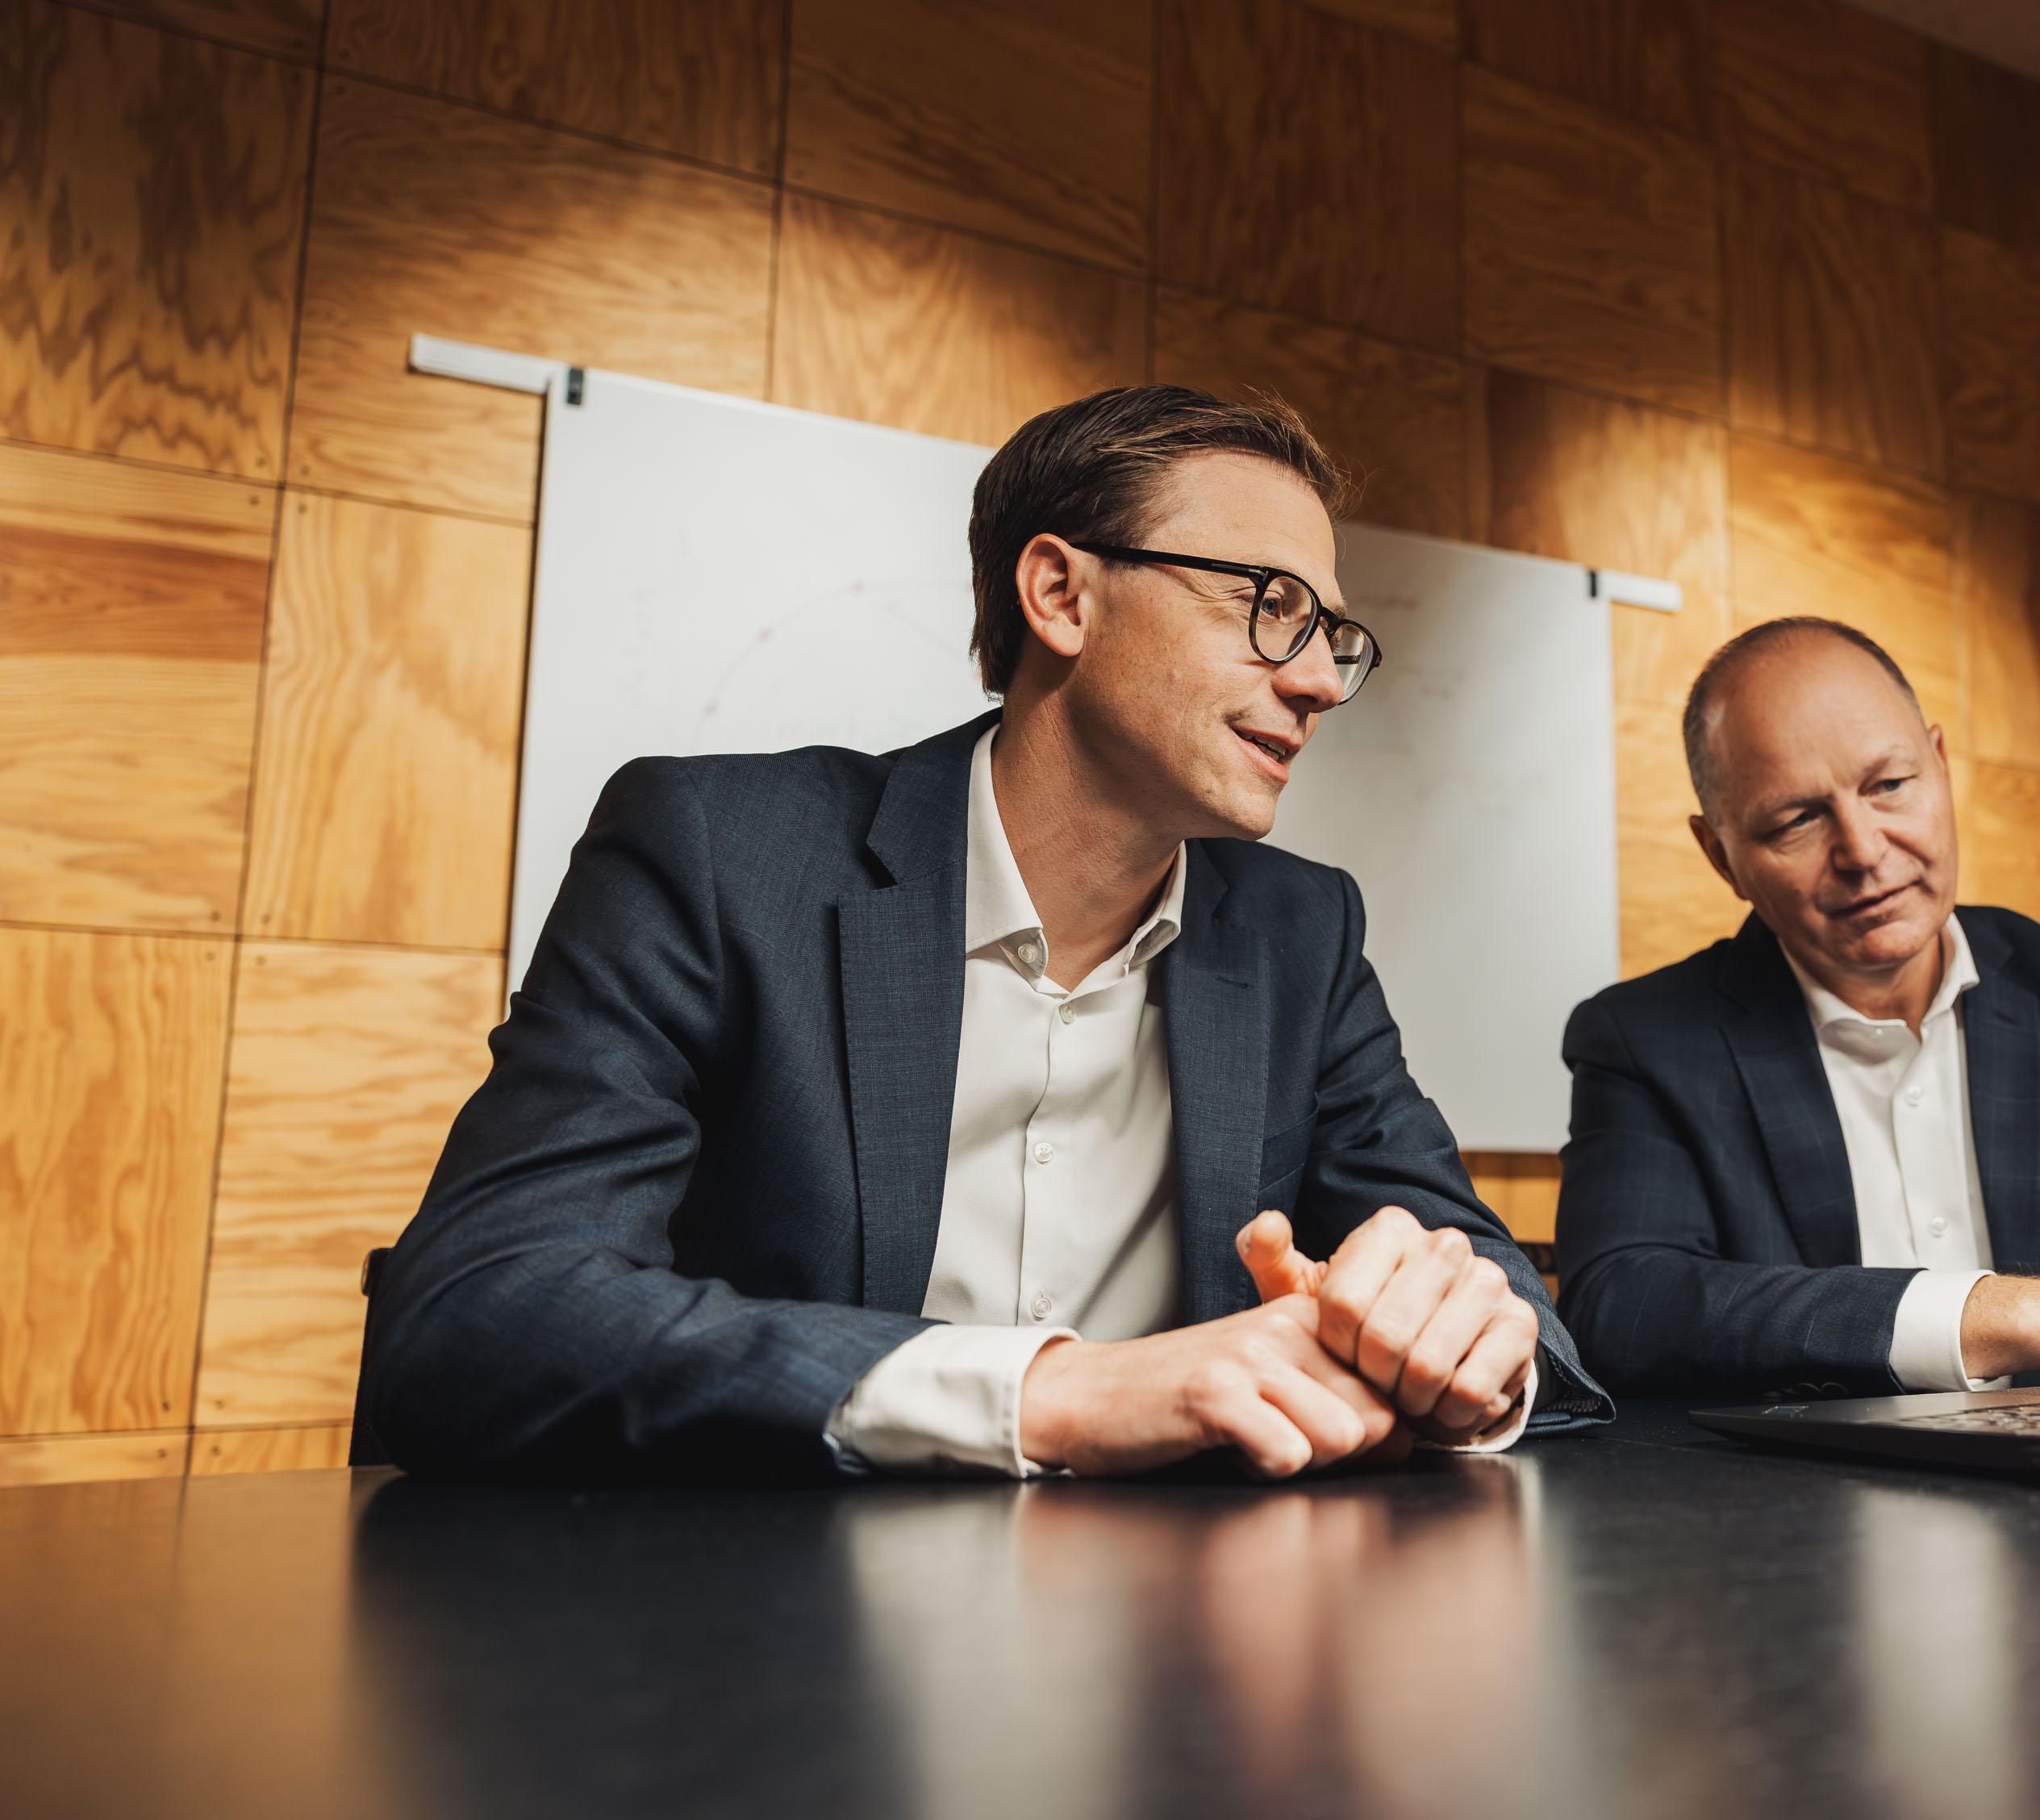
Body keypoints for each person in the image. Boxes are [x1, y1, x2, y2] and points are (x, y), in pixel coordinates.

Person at [359, 386, 1609, 1480]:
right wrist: (1053, 1392)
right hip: (759, 1622)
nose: (1321, 680)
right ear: (1060, 593)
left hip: (1187, 1632)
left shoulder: (1302, 932)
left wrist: (1471, 1347)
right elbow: (479, 1308)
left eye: (1333, 636)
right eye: (1268, 606)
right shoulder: (717, 854)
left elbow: (1516, 1310)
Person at [1552, 616, 2040, 1398]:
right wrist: (2026, 1315)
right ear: (1720, 855)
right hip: (1814, 1484)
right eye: (1796, 820)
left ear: (1938, 765)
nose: (1863, 850)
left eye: (1889, 786)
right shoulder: (1645, 1039)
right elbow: (1623, 1308)